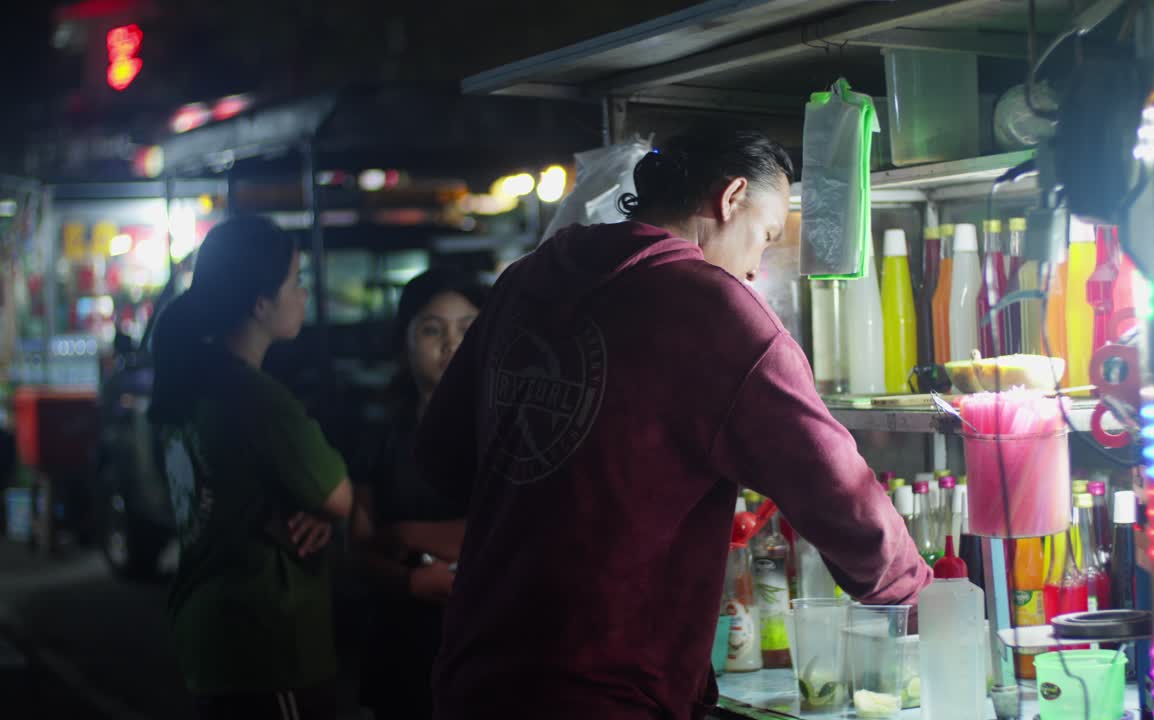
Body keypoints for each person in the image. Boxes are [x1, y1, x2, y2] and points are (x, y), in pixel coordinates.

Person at [418, 124, 933, 720]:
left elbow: (441, 460)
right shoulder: (720, 314)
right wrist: (924, 606)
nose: (753, 271)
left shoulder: (524, 280)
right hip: (605, 691)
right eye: (764, 239)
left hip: (474, 674)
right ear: (730, 197)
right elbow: (842, 497)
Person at [148, 216, 368, 720]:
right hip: (268, 640)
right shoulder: (255, 397)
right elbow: (339, 495)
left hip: (210, 633)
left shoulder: (187, 382)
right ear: (260, 303)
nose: (304, 294)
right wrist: (319, 506)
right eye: (296, 281)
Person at [355, 269, 486, 720]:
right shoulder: (381, 433)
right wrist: (407, 582)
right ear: (405, 340)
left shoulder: (504, 429)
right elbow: (359, 543)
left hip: (481, 641)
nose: (451, 345)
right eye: (433, 330)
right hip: (400, 642)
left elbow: (507, 532)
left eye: (468, 329)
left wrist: (407, 533)